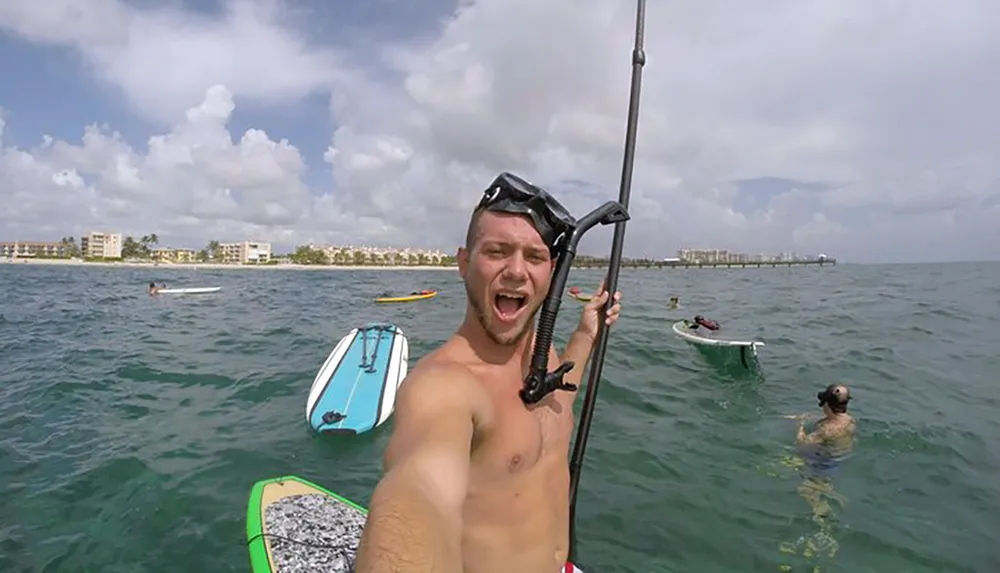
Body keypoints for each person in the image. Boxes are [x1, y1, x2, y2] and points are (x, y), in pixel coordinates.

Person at [355, 174, 623, 573]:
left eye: (533, 257)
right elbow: (418, 492)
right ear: (464, 262)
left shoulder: (541, 355)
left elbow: (557, 402)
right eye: (497, 251)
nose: (516, 270)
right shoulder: (443, 387)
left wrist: (586, 334)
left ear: (552, 271)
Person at [785, 384, 856, 524]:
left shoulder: (827, 430)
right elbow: (826, 418)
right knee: (818, 484)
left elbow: (802, 443)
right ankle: (829, 492)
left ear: (827, 405)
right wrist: (806, 416)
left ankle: (824, 520)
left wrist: (799, 426)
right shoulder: (849, 420)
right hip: (838, 456)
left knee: (805, 490)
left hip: (825, 462)